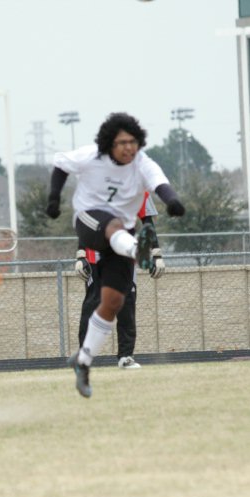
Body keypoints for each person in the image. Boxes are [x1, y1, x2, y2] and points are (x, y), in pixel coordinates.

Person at [47, 112, 184, 397]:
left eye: (133, 142)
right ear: (109, 143)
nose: (129, 148)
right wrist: (53, 199)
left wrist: (172, 201)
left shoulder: (142, 163)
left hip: (121, 239)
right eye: (122, 142)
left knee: (112, 302)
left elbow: (160, 183)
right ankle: (138, 251)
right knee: (112, 225)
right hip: (89, 222)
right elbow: (60, 164)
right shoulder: (90, 157)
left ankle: (83, 361)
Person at [76, 192, 165, 369]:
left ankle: (126, 356)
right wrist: (80, 254)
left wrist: (156, 253)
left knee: (127, 304)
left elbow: (147, 222)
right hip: (96, 255)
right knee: (92, 304)